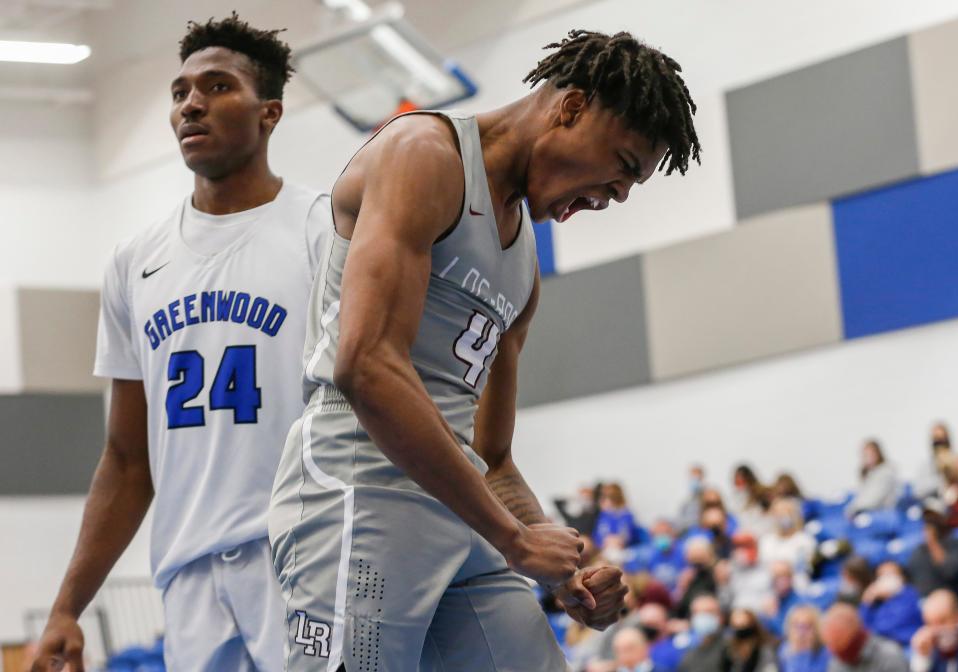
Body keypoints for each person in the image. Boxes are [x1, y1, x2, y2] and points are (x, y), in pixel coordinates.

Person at [268, 29, 700, 671]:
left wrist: (563, 571)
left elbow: (492, 456)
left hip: (458, 499)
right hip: (357, 482)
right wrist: (514, 538)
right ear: (571, 107)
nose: (616, 194)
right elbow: (366, 367)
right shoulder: (424, 153)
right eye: (624, 165)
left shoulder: (523, 262)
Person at [31, 15, 326, 672]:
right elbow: (128, 460)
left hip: (307, 561)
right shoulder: (135, 262)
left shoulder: (326, 231)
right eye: (180, 91)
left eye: (218, 87)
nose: (191, 103)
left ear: (269, 112)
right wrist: (66, 608)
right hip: (189, 577)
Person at [819, 603, 908, 671]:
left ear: (854, 633)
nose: (832, 649)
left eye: (837, 640)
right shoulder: (836, 662)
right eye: (829, 643)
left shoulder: (889, 655)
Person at [859, 561, 923, 647]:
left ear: (901, 577)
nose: (886, 579)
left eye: (891, 574)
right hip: (883, 649)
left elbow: (900, 622)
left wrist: (878, 632)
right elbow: (863, 627)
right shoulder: (876, 603)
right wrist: (867, 601)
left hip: (907, 645)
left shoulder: (910, 594)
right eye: (882, 576)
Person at [907, 498, 958, 597]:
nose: (930, 522)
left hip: (947, 601)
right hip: (922, 602)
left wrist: (933, 543)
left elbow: (949, 571)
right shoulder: (919, 550)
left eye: (934, 518)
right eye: (927, 518)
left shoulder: (955, 544)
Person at [759, 497, 816, 580]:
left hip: (796, 582)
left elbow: (803, 567)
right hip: (770, 583)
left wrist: (786, 569)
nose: (782, 517)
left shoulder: (804, 540)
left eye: (787, 513)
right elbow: (763, 565)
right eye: (778, 514)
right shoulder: (766, 540)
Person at [910, 589, 958, 672]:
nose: (936, 630)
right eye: (930, 624)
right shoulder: (931, 647)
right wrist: (922, 656)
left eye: (942, 622)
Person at [846, 439, 899, 516]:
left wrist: (855, 509)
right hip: (868, 512)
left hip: (882, 514)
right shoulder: (869, 473)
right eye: (865, 455)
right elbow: (861, 498)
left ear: (878, 454)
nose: (867, 458)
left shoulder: (886, 473)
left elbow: (874, 500)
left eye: (870, 454)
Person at [677, 594, 726, 672]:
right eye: (698, 613)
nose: (703, 616)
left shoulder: (731, 646)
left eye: (709, 612)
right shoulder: (687, 650)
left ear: (720, 616)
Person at [724, 608, 779, 672]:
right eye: (737, 626)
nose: (741, 629)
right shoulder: (730, 651)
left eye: (744, 625)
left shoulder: (764, 650)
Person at [779, 605, 830, 672]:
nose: (801, 632)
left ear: (816, 629)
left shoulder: (825, 653)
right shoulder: (784, 651)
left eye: (807, 626)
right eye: (796, 625)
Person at [916, 423, 954, 500]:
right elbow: (918, 491)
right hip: (933, 505)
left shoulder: (956, 461)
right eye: (936, 439)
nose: (939, 443)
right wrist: (941, 483)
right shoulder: (925, 465)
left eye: (942, 439)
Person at [732, 464, 772, 536]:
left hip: (761, 532)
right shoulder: (735, 497)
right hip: (743, 533)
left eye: (742, 479)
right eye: (737, 480)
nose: (739, 482)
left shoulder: (761, 494)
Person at [678, 464, 707, 532]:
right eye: (692, 477)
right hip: (686, 532)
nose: (694, 480)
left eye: (697, 478)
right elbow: (679, 519)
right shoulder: (686, 500)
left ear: (702, 478)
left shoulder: (708, 497)